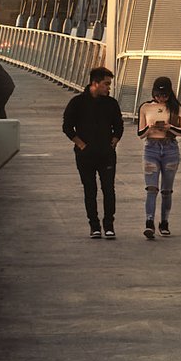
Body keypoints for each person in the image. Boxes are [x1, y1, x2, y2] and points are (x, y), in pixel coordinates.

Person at [62, 66, 124, 241]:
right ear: (94, 83)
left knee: (109, 190)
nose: (109, 88)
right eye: (106, 84)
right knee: (90, 190)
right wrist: (82, 145)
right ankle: (94, 226)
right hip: (85, 156)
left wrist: (113, 142)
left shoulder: (111, 103)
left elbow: (118, 127)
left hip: (106, 155)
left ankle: (109, 225)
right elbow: (67, 127)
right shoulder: (77, 102)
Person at [137, 76, 181, 239]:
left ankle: (164, 222)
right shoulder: (145, 107)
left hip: (170, 148)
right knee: (151, 188)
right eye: (158, 95)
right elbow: (140, 133)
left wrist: (170, 127)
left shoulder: (175, 107)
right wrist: (149, 128)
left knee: (167, 190)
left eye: (164, 95)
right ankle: (149, 221)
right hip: (151, 147)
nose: (161, 98)